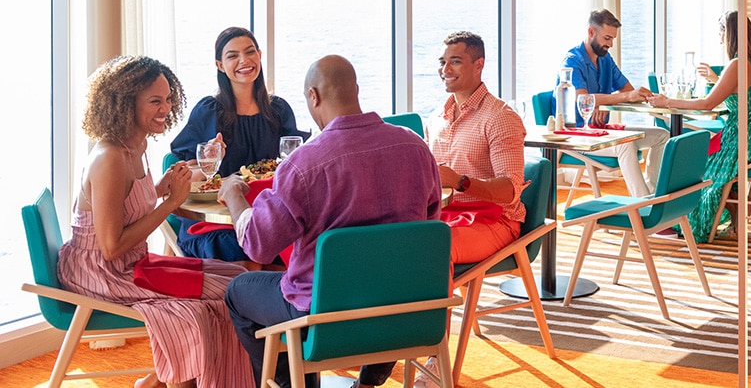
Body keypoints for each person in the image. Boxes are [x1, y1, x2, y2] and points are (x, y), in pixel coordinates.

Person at [222, 55, 444, 387]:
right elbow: (425, 228)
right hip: (404, 313)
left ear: (313, 96)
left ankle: (292, 383)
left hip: (324, 320)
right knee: (385, 282)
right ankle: (368, 383)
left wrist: (235, 198)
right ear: (356, 89)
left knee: (238, 291)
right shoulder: (416, 148)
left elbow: (259, 245)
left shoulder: (304, 165)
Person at [58, 55, 254, 388]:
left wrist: (163, 186)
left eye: (168, 99)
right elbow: (110, 247)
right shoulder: (109, 159)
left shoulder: (136, 144)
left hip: (131, 264)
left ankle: (161, 381)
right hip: (103, 274)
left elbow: (130, 202)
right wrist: (173, 202)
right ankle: (178, 381)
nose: (165, 108)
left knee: (238, 277)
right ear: (125, 104)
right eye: (155, 101)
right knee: (202, 310)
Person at [170, 26, 309, 270]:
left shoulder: (278, 110)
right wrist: (209, 162)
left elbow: (292, 166)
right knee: (245, 249)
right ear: (220, 65)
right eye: (232, 55)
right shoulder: (209, 112)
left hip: (268, 216)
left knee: (302, 245)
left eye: (250, 52)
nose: (244, 60)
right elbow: (183, 175)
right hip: (218, 220)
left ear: (260, 55)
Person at [646, 10, 751, 244]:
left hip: (742, 137)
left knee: (696, 165)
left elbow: (707, 105)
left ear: (730, 34)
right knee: (710, 157)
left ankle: (670, 214)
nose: (720, 39)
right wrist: (717, 79)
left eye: (721, 33)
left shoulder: (736, 64)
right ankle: (735, 225)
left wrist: (667, 102)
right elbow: (741, 93)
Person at [427, 31, 527, 265]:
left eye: (455, 62)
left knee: (433, 247)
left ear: (478, 65)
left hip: (494, 220)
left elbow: (510, 191)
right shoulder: (436, 119)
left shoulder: (501, 117)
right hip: (444, 216)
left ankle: (436, 303)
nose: (445, 70)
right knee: (386, 238)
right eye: (443, 62)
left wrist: (460, 182)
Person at [557, 8, 670, 198]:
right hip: (576, 135)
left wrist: (601, 102)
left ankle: (652, 195)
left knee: (662, 135)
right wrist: (606, 100)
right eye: (607, 38)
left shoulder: (605, 59)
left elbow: (627, 89)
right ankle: (644, 208)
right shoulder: (572, 61)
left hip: (602, 131)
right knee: (625, 144)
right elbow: (582, 99)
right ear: (591, 32)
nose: (610, 44)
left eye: (613, 40)